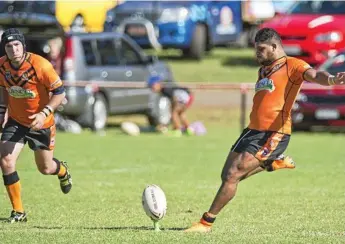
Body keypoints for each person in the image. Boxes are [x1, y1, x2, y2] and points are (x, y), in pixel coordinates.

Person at [185, 28, 345, 232]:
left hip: (274, 132)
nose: (257, 54)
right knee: (227, 175)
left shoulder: (293, 65)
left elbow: (315, 75)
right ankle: (272, 163)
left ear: (275, 47)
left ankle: (205, 222)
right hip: (251, 131)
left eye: (261, 49)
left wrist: (331, 80)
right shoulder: (264, 70)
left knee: (234, 174)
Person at [0, 28, 72, 223]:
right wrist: (2, 112)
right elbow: (4, 88)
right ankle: (18, 211)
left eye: (16, 45)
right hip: (16, 122)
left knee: (46, 168)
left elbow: (60, 93)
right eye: (8, 46)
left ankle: (63, 171)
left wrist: (44, 113)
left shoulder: (40, 65)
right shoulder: (2, 66)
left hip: (42, 123)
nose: (13, 49)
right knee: (6, 160)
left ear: (23, 45)